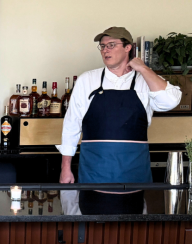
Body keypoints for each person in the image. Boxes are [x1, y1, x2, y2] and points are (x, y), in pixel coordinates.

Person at [59, 27, 181, 184]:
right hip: (94, 171)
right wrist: (65, 168)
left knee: (135, 208)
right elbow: (71, 126)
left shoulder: (145, 80)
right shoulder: (87, 80)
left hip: (135, 171)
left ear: (127, 48)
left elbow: (170, 102)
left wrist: (143, 68)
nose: (105, 50)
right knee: (91, 207)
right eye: (102, 46)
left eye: (111, 45)